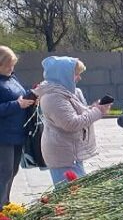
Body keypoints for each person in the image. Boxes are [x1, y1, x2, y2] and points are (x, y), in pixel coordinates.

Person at [35, 56, 107, 185]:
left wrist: (93, 108)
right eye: (76, 74)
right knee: (70, 196)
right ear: (63, 75)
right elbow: (71, 123)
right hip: (63, 155)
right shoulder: (53, 96)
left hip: (70, 151)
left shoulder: (64, 91)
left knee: (77, 194)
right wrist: (98, 111)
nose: (79, 78)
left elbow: (77, 113)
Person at [0, 47, 33, 205]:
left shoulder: (12, 78)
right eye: (7, 65)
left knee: (12, 171)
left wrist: (31, 98)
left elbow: (21, 94)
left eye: (12, 65)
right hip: (3, 136)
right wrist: (17, 104)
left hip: (17, 133)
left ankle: (5, 205)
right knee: (4, 172)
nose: (11, 68)